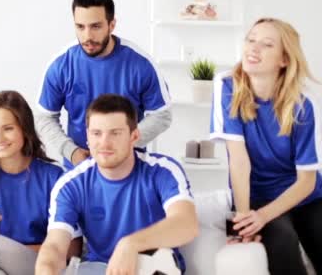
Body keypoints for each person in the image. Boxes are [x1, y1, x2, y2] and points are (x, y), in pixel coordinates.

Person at [35, 94, 197, 275]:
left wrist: (130, 244)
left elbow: (186, 223)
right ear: (87, 136)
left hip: (153, 267)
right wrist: (46, 269)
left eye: (115, 133)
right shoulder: (70, 185)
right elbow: (55, 246)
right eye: (96, 133)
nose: (104, 143)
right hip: (99, 269)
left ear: (134, 136)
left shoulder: (163, 171)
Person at [210, 17, 322, 275]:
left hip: (305, 196)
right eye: (251, 40)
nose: (253, 48)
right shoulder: (227, 86)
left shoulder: (304, 103)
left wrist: (264, 216)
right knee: (284, 243)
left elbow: (307, 180)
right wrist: (245, 218)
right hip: (257, 196)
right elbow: (238, 162)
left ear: (284, 59)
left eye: (266, 44)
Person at [36, 0, 172, 170]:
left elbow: (161, 115)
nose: (87, 36)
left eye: (96, 26)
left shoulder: (140, 64)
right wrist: (71, 151)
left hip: (130, 170)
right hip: (79, 171)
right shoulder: (61, 65)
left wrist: (124, 146)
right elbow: (45, 117)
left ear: (112, 25)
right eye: (80, 27)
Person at [0, 91, 81, 275]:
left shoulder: (54, 177)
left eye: (8, 128)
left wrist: (7, 250)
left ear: (24, 129)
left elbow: (73, 248)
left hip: (44, 266)